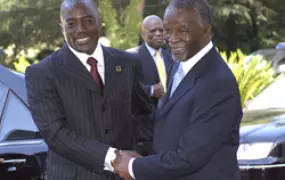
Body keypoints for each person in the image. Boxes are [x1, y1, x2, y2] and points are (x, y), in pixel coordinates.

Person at [113, 0, 243, 179]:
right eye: (168, 30)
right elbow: (170, 126)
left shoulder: (217, 83)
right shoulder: (180, 64)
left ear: (207, 30)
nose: (172, 39)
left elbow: (189, 157)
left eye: (182, 31)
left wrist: (133, 167)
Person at [25, 0, 152, 179]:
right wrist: (114, 157)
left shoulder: (128, 63)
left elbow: (144, 114)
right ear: (62, 27)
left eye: (88, 20)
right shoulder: (42, 73)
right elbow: (55, 134)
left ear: (99, 21)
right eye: (71, 24)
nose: (80, 29)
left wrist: (141, 158)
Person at [127, 15, 174, 109]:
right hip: (143, 119)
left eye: (161, 30)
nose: (158, 34)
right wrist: (151, 90)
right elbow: (124, 89)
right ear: (143, 35)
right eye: (153, 31)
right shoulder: (131, 57)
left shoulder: (171, 58)